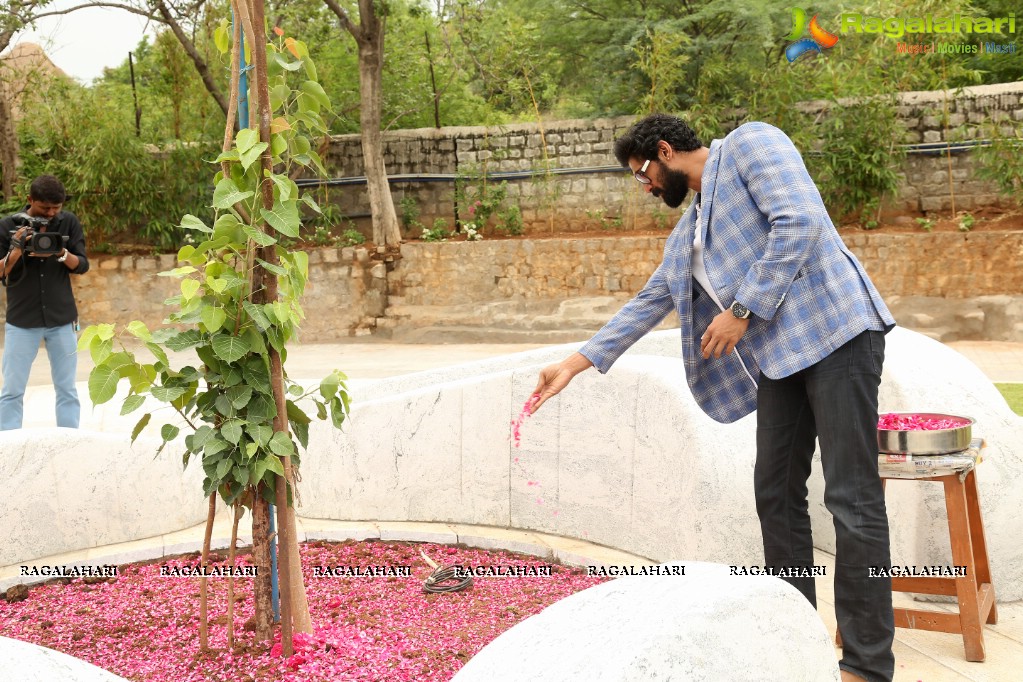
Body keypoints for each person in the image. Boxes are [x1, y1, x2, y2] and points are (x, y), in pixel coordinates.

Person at [532, 114, 896, 682]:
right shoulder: (690, 231)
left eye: (641, 174)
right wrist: (576, 364)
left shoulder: (753, 143)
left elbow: (797, 221)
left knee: (851, 499)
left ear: (665, 151)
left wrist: (743, 310)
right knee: (775, 493)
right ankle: (795, 633)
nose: (646, 187)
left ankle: (868, 664)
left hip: (838, 334)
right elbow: (651, 300)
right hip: (782, 360)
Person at [0, 175, 89, 430]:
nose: (50, 213)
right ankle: (9, 446)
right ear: (29, 200)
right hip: (22, 320)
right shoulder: (8, 225)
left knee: (67, 388)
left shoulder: (68, 222)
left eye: (56, 208)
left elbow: (82, 265)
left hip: (62, 318)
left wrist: (61, 253)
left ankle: (69, 442)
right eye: (44, 208)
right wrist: (16, 249)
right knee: (12, 390)